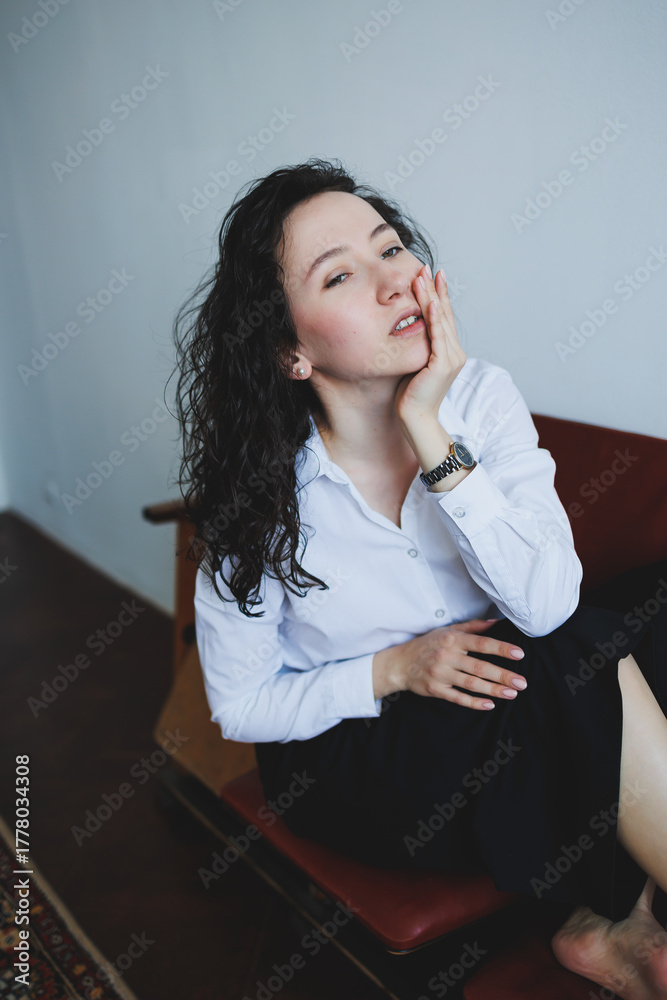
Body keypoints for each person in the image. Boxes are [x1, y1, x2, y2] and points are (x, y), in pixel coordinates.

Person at [171, 157, 667, 997]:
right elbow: (241, 704)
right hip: (359, 756)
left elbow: (545, 600)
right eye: (339, 275)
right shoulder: (254, 499)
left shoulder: (480, 398)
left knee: (616, 613)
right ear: (290, 351)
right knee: (565, 651)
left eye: (390, 247)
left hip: (501, 685)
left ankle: (608, 922)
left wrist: (430, 428)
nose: (391, 281)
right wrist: (394, 668)